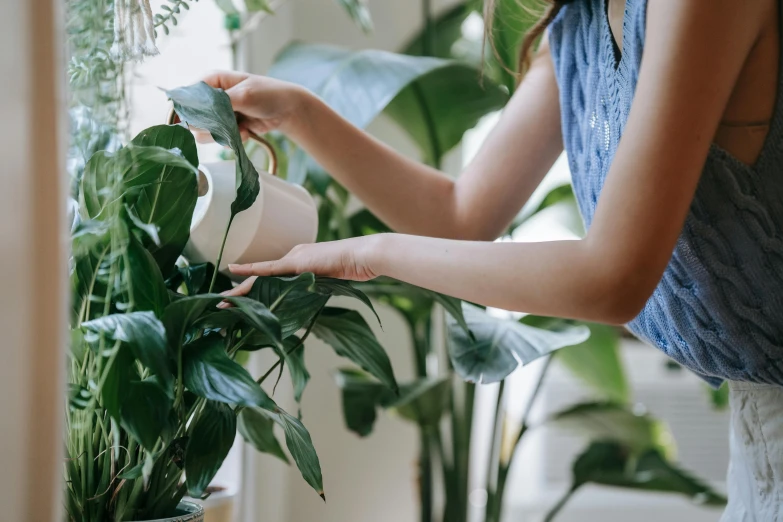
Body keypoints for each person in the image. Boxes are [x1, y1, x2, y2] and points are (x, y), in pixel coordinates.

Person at [208, 1, 783, 519]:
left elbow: (613, 278)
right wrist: (299, 113)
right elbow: (460, 215)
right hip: (753, 436)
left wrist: (366, 255)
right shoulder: (579, 23)